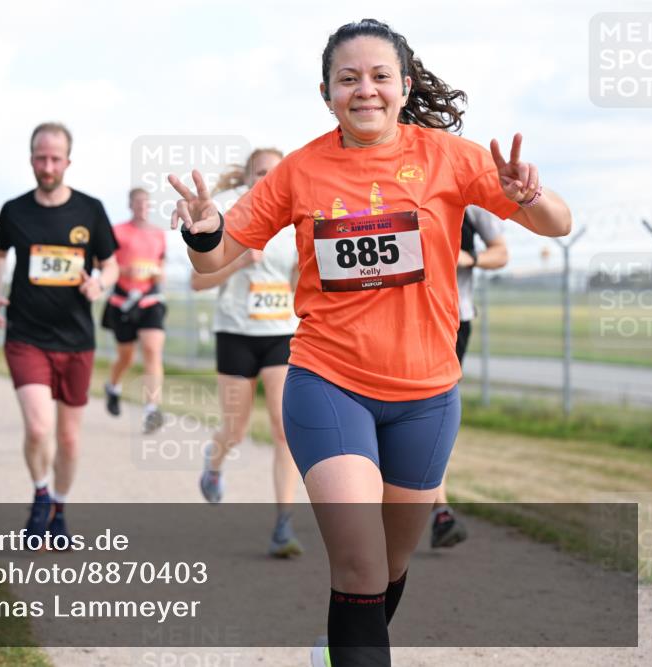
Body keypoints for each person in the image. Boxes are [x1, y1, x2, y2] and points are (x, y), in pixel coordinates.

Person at [168, 19, 571, 666]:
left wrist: (531, 194)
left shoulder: (448, 156)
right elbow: (214, 262)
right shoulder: (299, 172)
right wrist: (203, 230)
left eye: (380, 76)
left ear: (404, 86)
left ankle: (337, 646)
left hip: (428, 395)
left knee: (388, 566)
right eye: (348, 78)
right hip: (329, 384)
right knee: (357, 564)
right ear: (326, 92)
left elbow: (558, 222)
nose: (366, 90)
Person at [0, 122, 118, 549]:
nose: (47, 166)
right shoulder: (15, 210)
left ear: (68, 161)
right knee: (39, 427)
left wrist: (100, 283)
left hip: (76, 338)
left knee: (68, 437)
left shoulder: (90, 210)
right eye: (40, 158)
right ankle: (40, 494)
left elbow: (111, 263)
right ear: (31, 159)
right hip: (26, 333)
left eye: (55, 159)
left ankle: (59, 509)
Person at [190, 148, 304, 558]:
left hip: (280, 335)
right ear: (249, 178)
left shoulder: (297, 225)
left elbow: (297, 283)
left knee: (283, 430)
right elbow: (197, 282)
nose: (267, 179)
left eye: (274, 173)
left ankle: (283, 522)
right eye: (260, 173)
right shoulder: (232, 220)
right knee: (235, 430)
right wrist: (237, 264)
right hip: (236, 334)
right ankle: (214, 462)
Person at [430, 206, 509, 548]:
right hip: (392, 314)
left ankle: (440, 511)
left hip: (452, 320)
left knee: (431, 413)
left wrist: (470, 258)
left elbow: (501, 252)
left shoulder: (470, 196)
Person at [102, 188, 168, 433]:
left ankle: (152, 409)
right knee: (126, 356)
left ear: (149, 206)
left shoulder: (159, 233)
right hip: (122, 302)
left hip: (150, 300)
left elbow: (162, 264)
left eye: (145, 202)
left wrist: (159, 274)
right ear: (130, 205)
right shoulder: (118, 231)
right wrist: (123, 271)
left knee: (152, 350)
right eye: (137, 202)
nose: (142, 206)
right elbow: (105, 264)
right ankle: (113, 386)